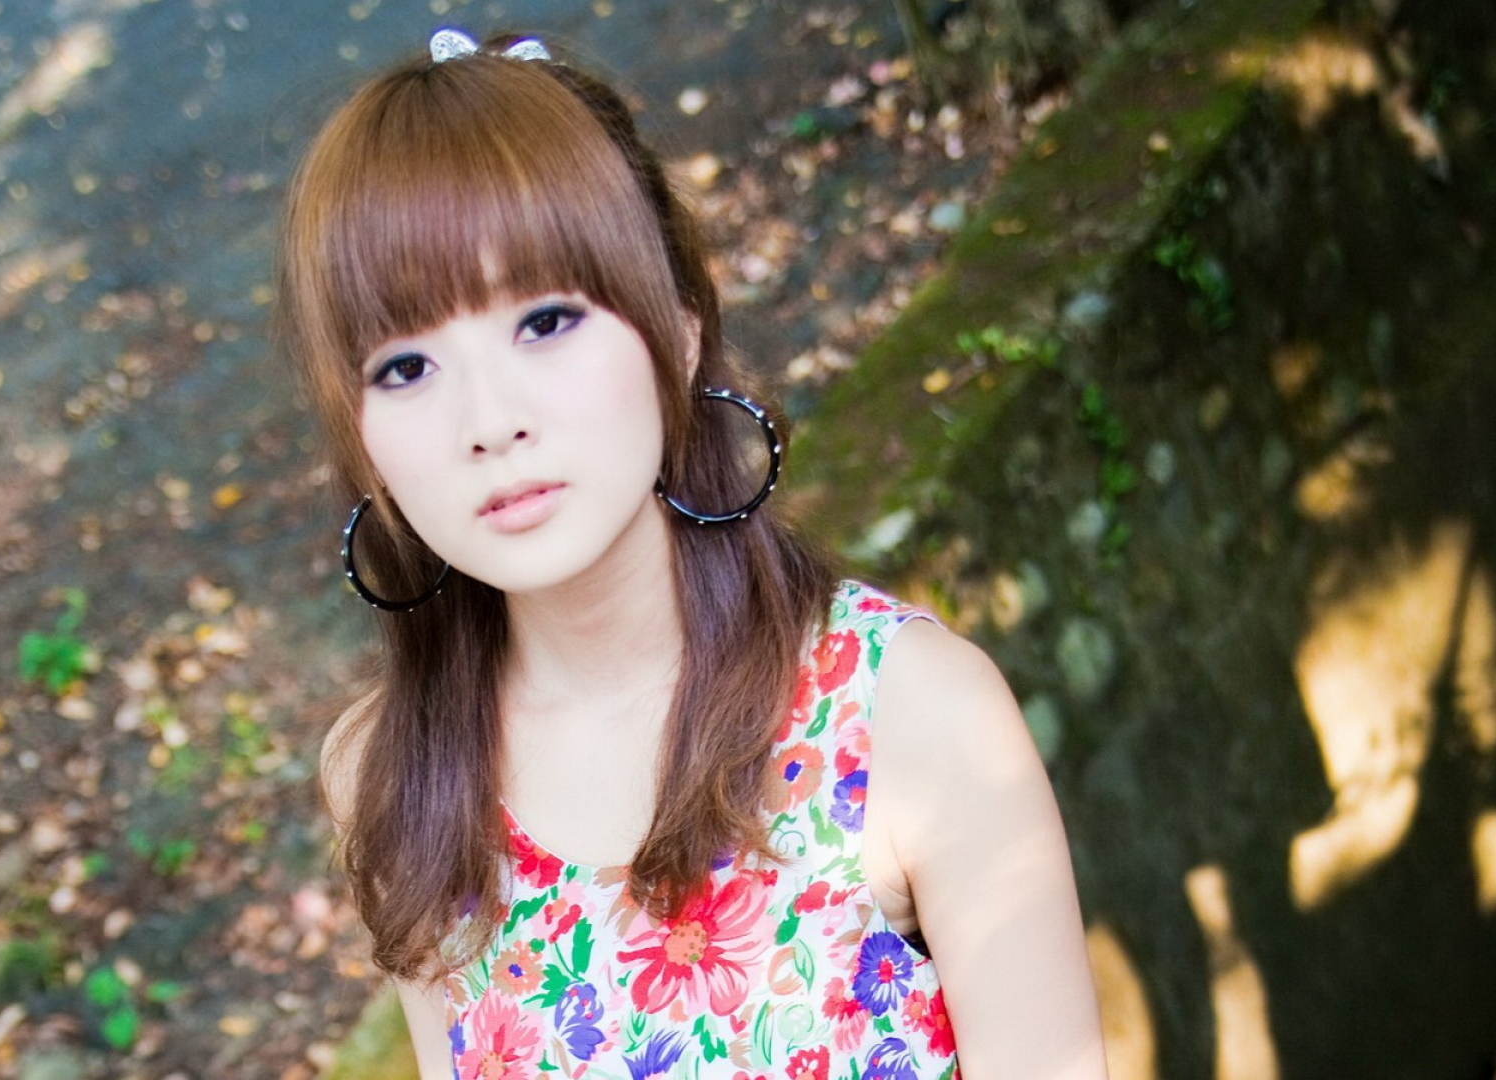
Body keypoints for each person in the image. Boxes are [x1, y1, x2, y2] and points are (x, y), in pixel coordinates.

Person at [276, 28, 1107, 1080]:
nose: (487, 421)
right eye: (404, 367)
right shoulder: (388, 775)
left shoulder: (907, 715)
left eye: (545, 320)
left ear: (678, 330)